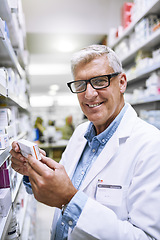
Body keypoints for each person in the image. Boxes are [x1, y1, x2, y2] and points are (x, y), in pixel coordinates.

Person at [10, 45, 160, 240]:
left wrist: (70, 200)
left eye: (99, 81)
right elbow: (60, 186)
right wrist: (33, 170)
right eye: (80, 84)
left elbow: (147, 237)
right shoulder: (81, 132)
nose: (89, 94)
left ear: (122, 82)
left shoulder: (151, 145)